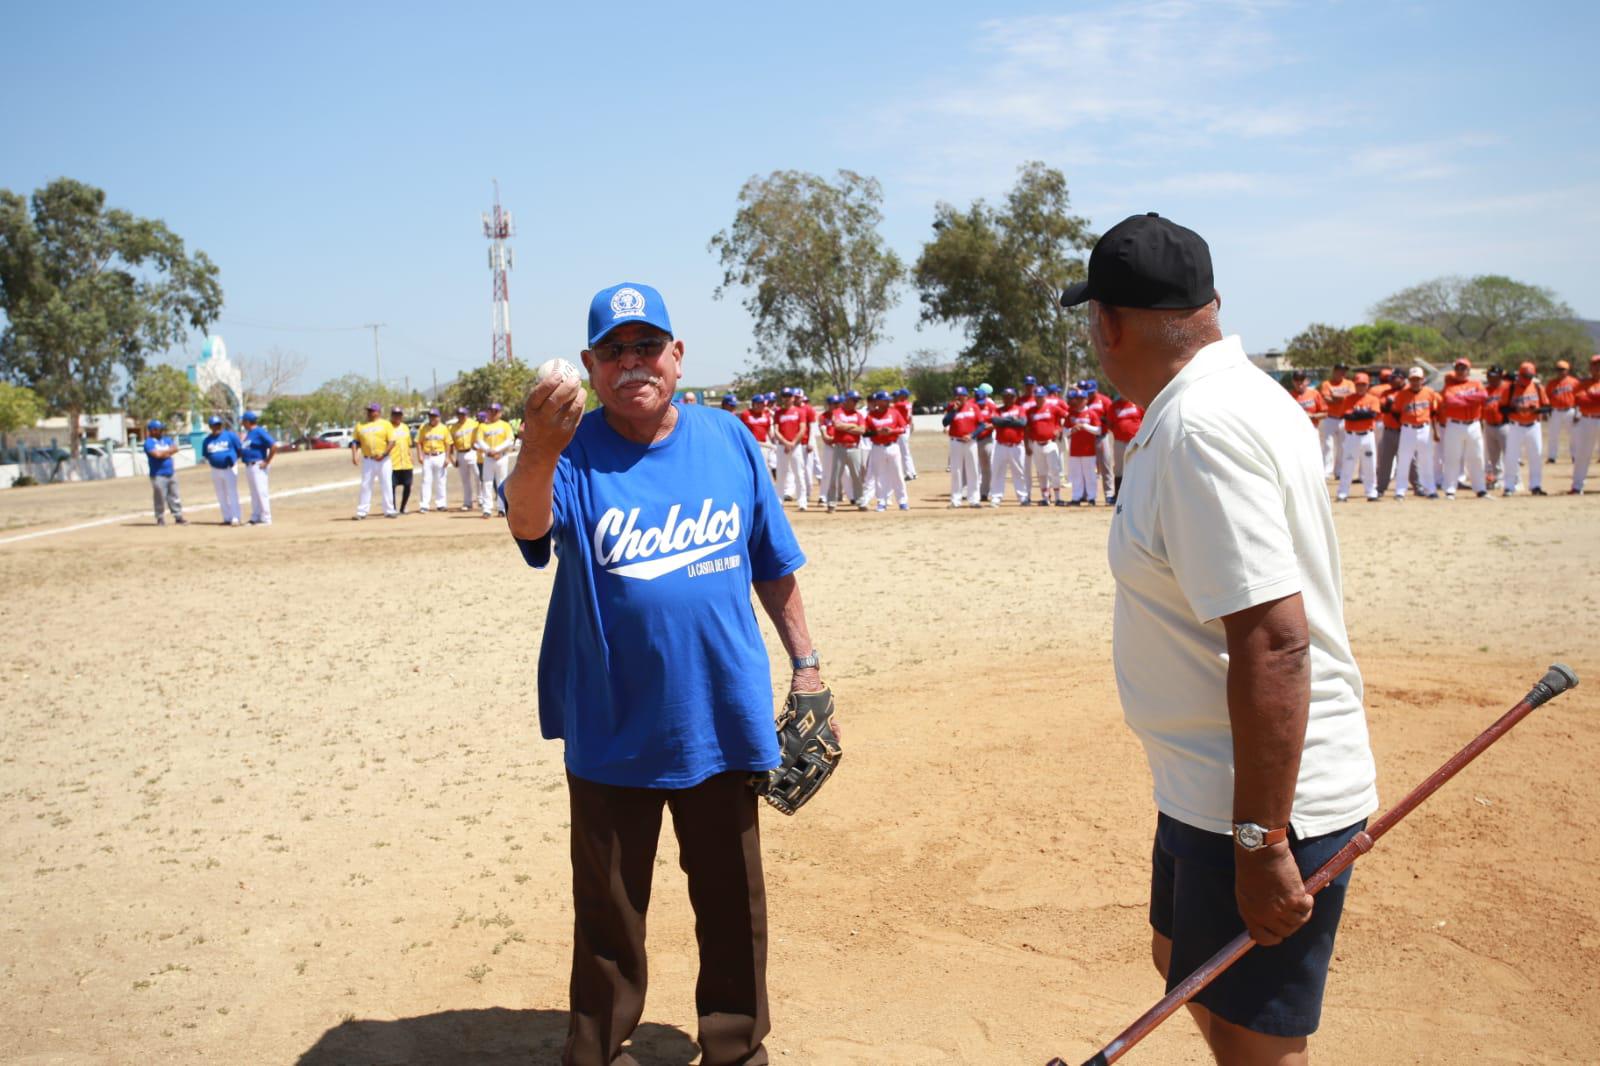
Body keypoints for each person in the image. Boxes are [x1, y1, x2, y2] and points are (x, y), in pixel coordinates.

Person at [1063, 212, 1377, 1065]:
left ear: (1111, 323)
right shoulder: (1227, 399)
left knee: (1252, 1042)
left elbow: (1275, 641)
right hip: (1207, 787)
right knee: (1180, 965)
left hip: (1259, 800)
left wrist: (1261, 842)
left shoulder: (1202, 428)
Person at [501, 281, 830, 1066]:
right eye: (612, 351)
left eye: (647, 346)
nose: (631, 363)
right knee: (610, 915)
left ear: (677, 357)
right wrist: (540, 445)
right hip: (612, 720)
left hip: (720, 715)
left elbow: (773, 563)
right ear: (589, 366)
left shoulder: (728, 439)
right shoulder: (571, 455)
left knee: (731, 906)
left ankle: (736, 1047)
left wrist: (808, 665)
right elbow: (527, 523)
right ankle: (599, 1048)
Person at [1436, 359, 1489, 499]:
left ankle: (1480, 489)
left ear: (1468, 371)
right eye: (1458, 368)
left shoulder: (1476, 383)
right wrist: (1472, 400)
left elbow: (1483, 396)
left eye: (1463, 368)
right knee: (1452, 457)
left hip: (1474, 424)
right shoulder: (1450, 386)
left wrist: (1463, 400)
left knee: (1477, 457)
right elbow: (1450, 401)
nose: (1460, 371)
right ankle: (1450, 489)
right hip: (1454, 424)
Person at [1391, 368, 1441, 500]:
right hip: (1407, 429)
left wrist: (1435, 432)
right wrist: (1404, 424)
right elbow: (1395, 412)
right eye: (1412, 379)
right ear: (1409, 380)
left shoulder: (1430, 393)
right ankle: (1400, 491)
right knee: (1404, 460)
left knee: (1426, 460)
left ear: (1422, 380)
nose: (1415, 382)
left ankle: (1430, 489)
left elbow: (1434, 413)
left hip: (1424, 428)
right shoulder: (1402, 394)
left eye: (1418, 379)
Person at [1500, 362, 1549, 496]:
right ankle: (1509, 487)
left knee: (1536, 456)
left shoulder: (1538, 387)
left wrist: (1537, 410)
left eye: (1530, 376)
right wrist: (1516, 409)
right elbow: (1502, 408)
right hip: (1515, 426)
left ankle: (1536, 486)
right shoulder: (1510, 389)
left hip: (1534, 425)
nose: (1528, 379)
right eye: (1525, 376)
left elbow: (1547, 407)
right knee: (1511, 457)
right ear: (1519, 374)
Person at [1335, 373, 1381, 502]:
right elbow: (1348, 416)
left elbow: (1372, 414)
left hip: (1367, 436)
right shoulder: (1348, 399)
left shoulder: (1373, 399)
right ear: (1355, 385)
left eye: (1363, 385)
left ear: (1368, 385)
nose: (1361, 387)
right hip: (1352, 436)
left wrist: (1358, 413)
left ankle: (1371, 492)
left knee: (1370, 465)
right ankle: (1342, 493)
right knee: (1348, 464)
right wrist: (1363, 413)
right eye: (1359, 385)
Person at [861, 390, 909, 511]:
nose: (887, 402)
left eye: (888, 400)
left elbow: (903, 428)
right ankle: (881, 502)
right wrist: (877, 432)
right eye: (884, 400)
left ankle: (902, 501)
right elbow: (865, 433)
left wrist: (891, 431)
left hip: (893, 446)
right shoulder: (871, 416)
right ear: (878, 402)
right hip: (877, 447)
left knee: (897, 474)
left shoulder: (894, 413)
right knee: (879, 476)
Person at [350, 402, 397, 519]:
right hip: (368, 459)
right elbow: (355, 441)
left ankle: (389, 510)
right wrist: (355, 454)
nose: (369, 413)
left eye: (371, 411)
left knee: (386, 484)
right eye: (368, 411)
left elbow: (392, 441)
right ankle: (362, 511)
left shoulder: (385, 424)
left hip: (383, 459)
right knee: (366, 485)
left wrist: (384, 453)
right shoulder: (360, 425)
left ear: (378, 412)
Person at [823, 390, 867, 512]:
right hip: (840, 447)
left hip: (854, 447)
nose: (855, 402)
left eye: (857, 400)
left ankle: (860, 501)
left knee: (857, 476)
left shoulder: (858, 415)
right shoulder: (838, 412)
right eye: (854, 400)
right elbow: (837, 425)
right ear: (847, 399)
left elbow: (862, 430)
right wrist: (853, 426)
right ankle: (832, 502)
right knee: (835, 476)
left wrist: (846, 427)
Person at [138, 420, 187, 526]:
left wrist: (164, 453)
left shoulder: (166, 439)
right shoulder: (149, 442)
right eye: (159, 429)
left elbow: (175, 449)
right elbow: (157, 455)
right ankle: (160, 517)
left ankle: (178, 516)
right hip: (158, 474)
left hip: (171, 472)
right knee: (159, 497)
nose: (161, 431)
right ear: (153, 430)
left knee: (174, 495)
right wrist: (167, 452)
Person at [200, 415, 244, 525]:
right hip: (215, 469)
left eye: (218, 425)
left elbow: (239, 449)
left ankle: (236, 517)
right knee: (221, 494)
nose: (216, 427)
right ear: (210, 427)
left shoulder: (230, 435)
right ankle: (227, 517)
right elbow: (206, 455)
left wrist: (234, 459)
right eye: (214, 426)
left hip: (229, 468)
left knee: (232, 492)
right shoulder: (207, 440)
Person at [988, 387, 1028, 507]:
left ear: (1015, 398)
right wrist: (1011, 420)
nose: (1008, 399)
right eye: (1005, 396)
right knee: (998, 472)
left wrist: (1004, 421)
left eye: (1011, 396)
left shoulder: (1020, 409)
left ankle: (1023, 497)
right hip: (1001, 445)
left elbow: (1022, 423)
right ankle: (996, 497)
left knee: (1019, 472)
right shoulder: (998, 410)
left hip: (1016, 446)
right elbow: (995, 421)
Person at [1025, 386, 1064, 506]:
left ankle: (1058, 498)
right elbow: (1026, 428)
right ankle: (1045, 498)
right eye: (1037, 397)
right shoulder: (1030, 411)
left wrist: (1059, 429)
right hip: (1037, 444)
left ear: (1045, 397)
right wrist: (1027, 444)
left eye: (1041, 396)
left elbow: (1066, 417)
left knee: (1055, 471)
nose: (1038, 399)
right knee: (1041, 473)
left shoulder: (1053, 408)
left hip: (1050, 443)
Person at [475, 402, 516, 517]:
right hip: (488, 457)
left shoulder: (504, 425)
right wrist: (489, 450)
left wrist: (497, 450)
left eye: (495, 411)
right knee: (487, 482)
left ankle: (502, 508)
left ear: (500, 413)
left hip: (501, 457)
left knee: (501, 482)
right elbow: (479, 441)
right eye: (490, 411)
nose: (492, 413)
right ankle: (487, 509)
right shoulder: (483, 426)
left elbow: (509, 440)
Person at [1064, 389, 1102, 505]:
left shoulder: (1091, 413)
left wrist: (1085, 426)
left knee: (1090, 475)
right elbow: (1065, 431)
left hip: (1088, 450)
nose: (1080, 401)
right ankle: (1076, 497)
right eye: (1078, 399)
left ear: (1086, 400)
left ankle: (1091, 497)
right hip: (1075, 450)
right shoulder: (1071, 414)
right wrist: (1072, 430)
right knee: (1076, 475)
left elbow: (1098, 430)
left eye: (1082, 399)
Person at [944, 386, 980, 508]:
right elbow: (945, 422)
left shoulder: (973, 407)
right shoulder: (951, 407)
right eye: (957, 395)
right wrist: (953, 410)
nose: (959, 397)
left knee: (973, 470)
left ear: (966, 396)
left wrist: (972, 435)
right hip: (956, 442)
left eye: (961, 395)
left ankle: (974, 499)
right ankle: (955, 500)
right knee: (956, 471)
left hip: (971, 442)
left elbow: (981, 425)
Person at [1316, 364, 1355, 478]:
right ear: (1334, 371)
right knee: (1328, 445)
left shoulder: (1349, 383)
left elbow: (1351, 396)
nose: (1342, 373)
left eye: (1344, 371)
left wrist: (1336, 396)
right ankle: (1327, 471)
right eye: (1339, 370)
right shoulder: (1327, 384)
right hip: (1330, 418)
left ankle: (1339, 471)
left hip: (1344, 419)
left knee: (1343, 446)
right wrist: (1340, 397)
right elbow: (1327, 398)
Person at [238, 411, 276, 524]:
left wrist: (267, 461)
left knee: (261, 492)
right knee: (254, 493)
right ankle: (256, 516)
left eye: (243, 421)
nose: (242, 423)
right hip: (249, 465)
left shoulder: (259, 431)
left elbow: (273, 445)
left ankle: (266, 517)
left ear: (248, 422)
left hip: (258, 465)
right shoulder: (249, 433)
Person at [1569, 354, 1600, 494]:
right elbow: (1576, 402)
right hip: (1587, 420)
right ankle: (1577, 486)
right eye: (1595, 365)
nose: (1597, 368)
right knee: (1582, 454)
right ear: (1590, 367)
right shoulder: (1581, 384)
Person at [773, 391, 809, 509]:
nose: (787, 399)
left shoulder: (800, 411)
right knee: (781, 475)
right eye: (785, 396)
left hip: (796, 446)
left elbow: (802, 428)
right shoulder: (778, 412)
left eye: (789, 396)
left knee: (799, 474)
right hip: (782, 446)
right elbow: (776, 430)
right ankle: (779, 501)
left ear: (794, 398)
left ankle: (802, 502)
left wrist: (793, 442)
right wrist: (785, 442)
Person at [1108, 393, 1145, 500]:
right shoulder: (1114, 407)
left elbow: (1144, 418)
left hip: (1135, 440)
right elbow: (1110, 423)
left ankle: (1137, 494)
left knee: (1136, 466)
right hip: (1119, 441)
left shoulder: (1137, 404)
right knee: (1119, 467)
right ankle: (1118, 495)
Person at [415, 408, 451, 512]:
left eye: (434, 416)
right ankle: (424, 505)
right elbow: (418, 442)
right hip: (427, 456)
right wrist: (419, 455)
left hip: (440, 455)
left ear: (439, 417)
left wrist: (447, 457)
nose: (432, 418)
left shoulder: (443, 428)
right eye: (431, 416)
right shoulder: (424, 428)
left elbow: (448, 443)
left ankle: (441, 504)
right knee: (426, 480)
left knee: (441, 480)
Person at [1544, 359, 1579, 463]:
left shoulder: (1574, 382)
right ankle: (1552, 457)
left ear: (1568, 370)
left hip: (1570, 410)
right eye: (1558, 369)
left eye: (1562, 369)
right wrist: (1546, 412)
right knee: (1553, 435)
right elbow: (1547, 398)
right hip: (1555, 411)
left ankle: (1575, 456)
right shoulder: (1551, 383)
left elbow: (1579, 398)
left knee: (1574, 434)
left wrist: (1578, 412)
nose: (1560, 371)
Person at [449, 407, 481, 511]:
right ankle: (467, 502)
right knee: (465, 480)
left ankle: (481, 500)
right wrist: (452, 457)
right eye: (459, 414)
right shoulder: (453, 428)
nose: (461, 416)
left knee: (478, 476)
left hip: (472, 451)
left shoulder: (474, 424)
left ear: (467, 414)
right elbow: (451, 444)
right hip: (460, 453)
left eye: (463, 414)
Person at [738, 392, 776, 477]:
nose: (763, 406)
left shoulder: (766, 415)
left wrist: (774, 441)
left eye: (763, 403)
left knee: (764, 467)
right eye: (760, 403)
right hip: (750, 444)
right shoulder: (746, 414)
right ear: (754, 404)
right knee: (750, 467)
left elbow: (769, 430)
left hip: (763, 445)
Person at [1481, 367, 1507, 489]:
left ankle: (1516, 480)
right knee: (1493, 456)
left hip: (1505, 425)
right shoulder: (1485, 390)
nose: (1491, 379)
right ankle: (1498, 479)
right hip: (1489, 425)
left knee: (1509, 454)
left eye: (1494, 376)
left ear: (1500, 376)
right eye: (1489, 376)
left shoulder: (1507, 388)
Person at [387, 407, 415, 514]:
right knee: (392, 487)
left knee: (408, 485)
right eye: (395, 414)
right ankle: (392, 508)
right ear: (392, 415)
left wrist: (411, 456)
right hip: (393, 462)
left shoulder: (405, 427)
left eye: (399, 415)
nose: (397, 417)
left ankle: (403, 507)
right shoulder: (388, 427)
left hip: (406, 463)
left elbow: (408, 444)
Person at [973, 385, 998, 502]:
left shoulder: (991, 406)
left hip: (987, 439)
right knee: (973, 467)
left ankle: (986, 492)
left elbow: (996, 421)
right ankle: (973, 493)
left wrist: (988, 426)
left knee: (987, 467)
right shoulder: (971, 406)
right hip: (972, 440)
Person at [891, 388, 917, 480]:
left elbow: (890, 406)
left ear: (902, 396)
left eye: (898, 396)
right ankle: (912, 472)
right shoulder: (908, 404)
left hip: (902, 429)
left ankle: (909, 473)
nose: (896, 397)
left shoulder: (899, 404)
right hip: (906, 427)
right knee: (906, 452)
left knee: (904, 452)